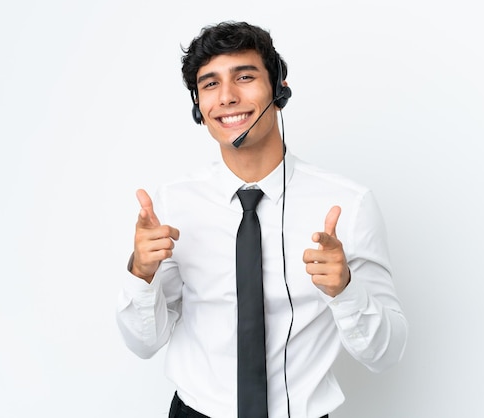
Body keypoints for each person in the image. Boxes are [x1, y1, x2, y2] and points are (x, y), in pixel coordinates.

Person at [116, 21, 408, 418]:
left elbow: (386, 354)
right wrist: (141, 272)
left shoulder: (348, 204)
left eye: (245, 77)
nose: (228, 97)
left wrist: (346, 289)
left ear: (280, 89)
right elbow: (143, 344)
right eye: (210, 84)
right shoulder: (172, 204)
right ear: (198, 107)